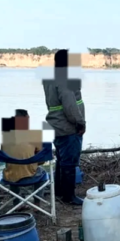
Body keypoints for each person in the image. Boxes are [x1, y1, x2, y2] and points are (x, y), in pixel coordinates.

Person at [43, 49, 86, 206]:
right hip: (67, 127)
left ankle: (59, 192)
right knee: (69, 161)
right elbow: (70, 106)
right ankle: (69, 196)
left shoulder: (50, 78)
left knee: (61, 160)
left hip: (55, 125)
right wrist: (80, 123)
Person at [1, 109, 48, 208]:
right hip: (30, 177)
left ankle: (17, 204)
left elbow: (5, 158)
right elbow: (42, 160)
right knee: (43, 173)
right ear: (27, 119)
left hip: (10, 178)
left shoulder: (6, 137)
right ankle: (37, 202)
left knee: (13, 169)